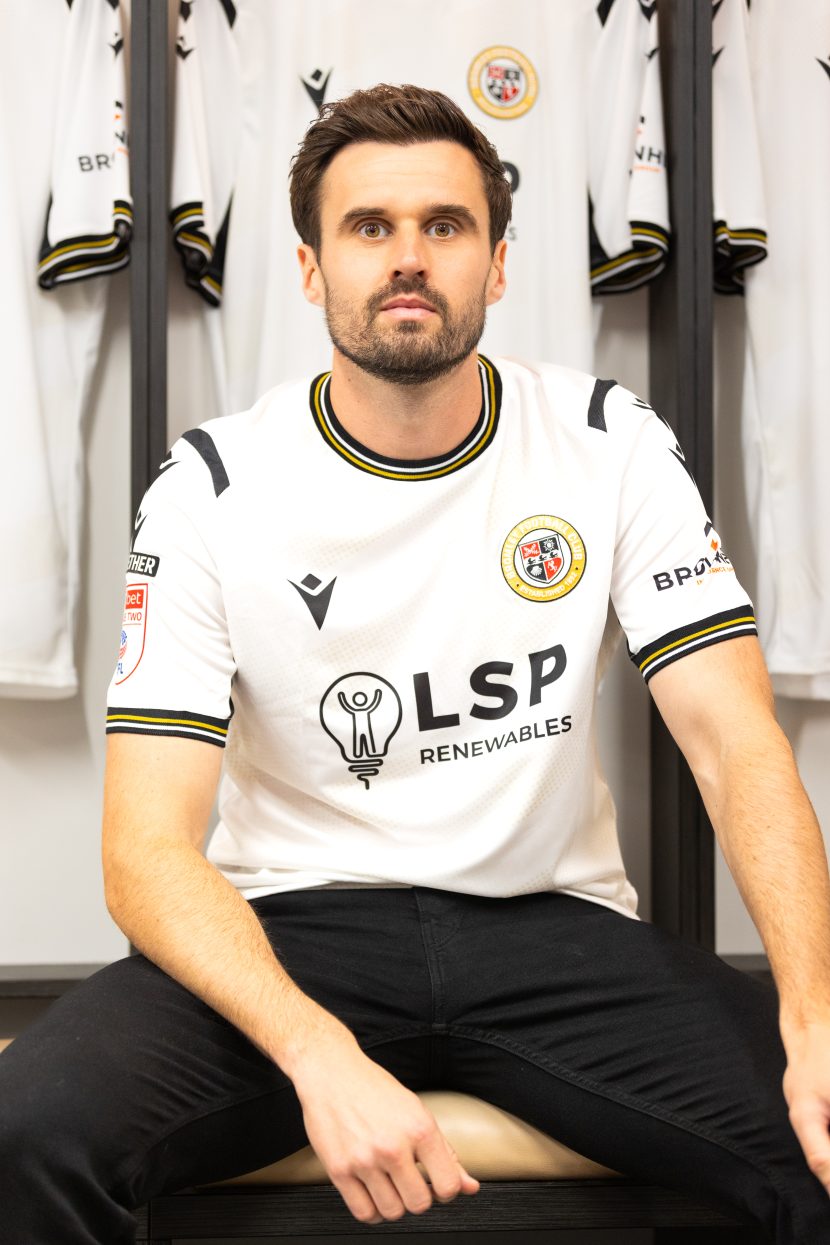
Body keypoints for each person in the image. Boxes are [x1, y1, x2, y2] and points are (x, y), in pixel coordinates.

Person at [2, 83, 830, 1245]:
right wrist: (314, 1053)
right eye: (368, 227)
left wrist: (815, 1007)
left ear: (495, 265)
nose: (407, 259)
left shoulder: (608, 445)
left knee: (824, 1136)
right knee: (24, 1131)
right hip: (292, 927)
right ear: (307, 268)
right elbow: (144, 852)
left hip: (550, 925)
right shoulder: (211, 486)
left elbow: (735, 746)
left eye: (443, 227)